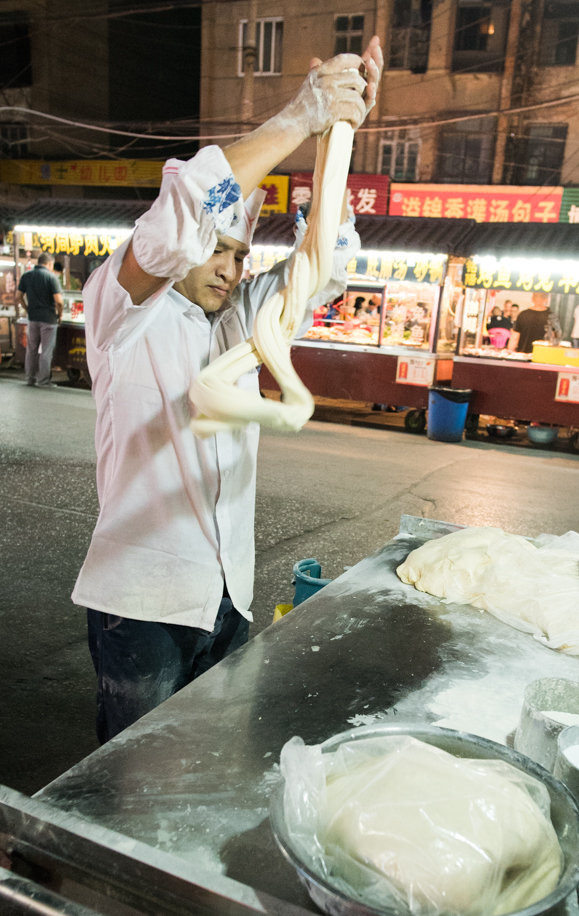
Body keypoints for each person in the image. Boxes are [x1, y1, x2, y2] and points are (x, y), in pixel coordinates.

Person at [72, 40, 383, 744]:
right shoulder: (123, 312)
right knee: (133, 782)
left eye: (241, 253)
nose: (231, 267)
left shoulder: (239, 325)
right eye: (218, 250)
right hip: (142, 605)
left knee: (205, 764)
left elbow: (320, 269)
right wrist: (302, 117)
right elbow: (179, 218)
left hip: (226, 599)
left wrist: (343, 132)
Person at [16, 252, 64, 388]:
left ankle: (30, 378)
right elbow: (59, 301)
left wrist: (27, 308)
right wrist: (59, 314)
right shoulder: (51, 277)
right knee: (46, 351)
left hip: (32, 318)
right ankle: (43, 381)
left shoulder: (27, 275)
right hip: (48, 319)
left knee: (31, 349)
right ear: (49, 264)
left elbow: (18, 296)